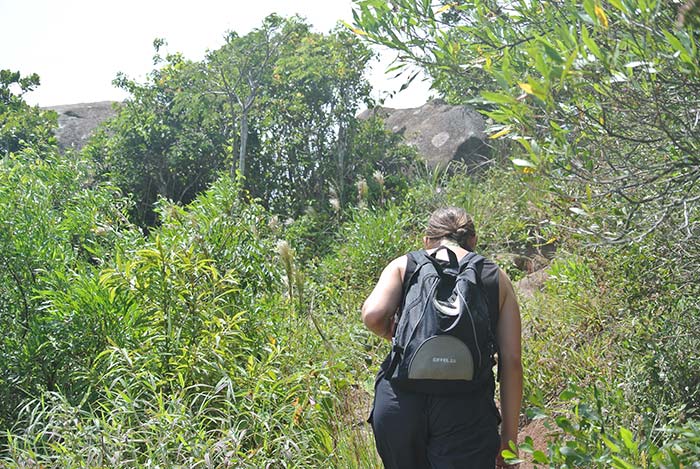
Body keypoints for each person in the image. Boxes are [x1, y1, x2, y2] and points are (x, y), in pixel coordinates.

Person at [362, 207, 523, 468]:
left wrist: (390, 332)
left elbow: (372, 314)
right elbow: (512, 361)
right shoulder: (495, 276)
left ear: (427, 240)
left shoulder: (405, 264)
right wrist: (509, 439)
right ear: (473, 240)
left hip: (400, 405)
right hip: (466, 409)